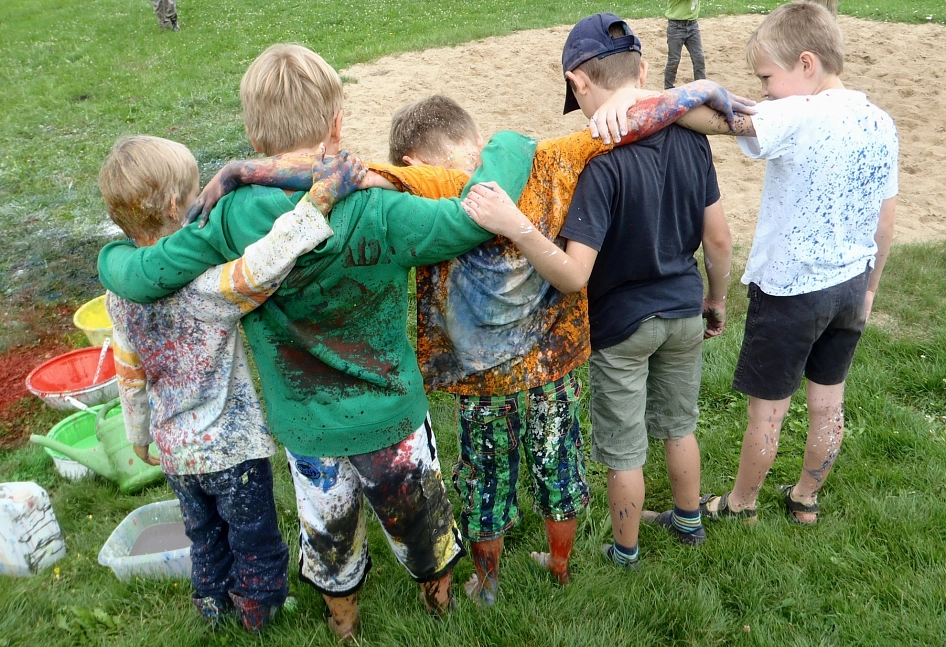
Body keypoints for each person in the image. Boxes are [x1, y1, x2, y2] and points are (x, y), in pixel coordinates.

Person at [186, 78, 749, 601]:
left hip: (479, 383)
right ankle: (560, 565)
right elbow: (636, 120)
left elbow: (339, 174)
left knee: (487, 483)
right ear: (476, 138)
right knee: (560, 467)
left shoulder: (436, 188)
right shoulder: (547, 156)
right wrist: (702, 91)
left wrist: (242, 170)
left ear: (412, 161)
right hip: (550, 368)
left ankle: (489, 581)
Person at [96, 43, 563, 639]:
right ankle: (441, 611)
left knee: (329, 535)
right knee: (422, 526)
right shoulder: (379, 207)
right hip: (391, 419)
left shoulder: (230, 217)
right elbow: (473, 219)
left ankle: (345, 630)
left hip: (306, 426)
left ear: (252, 129)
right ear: (337, 123)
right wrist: (511, 144)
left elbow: (139, 275)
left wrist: (111, 252)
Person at [460, 12, 733, 569]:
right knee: (680, 426)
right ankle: (689, 523)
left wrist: (517, 227)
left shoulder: (599, 161)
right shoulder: (690, 136)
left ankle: (625, 550)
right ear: (644, 66)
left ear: (579, 81)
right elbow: (720, 239)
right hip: (684, 310)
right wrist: (717, 298)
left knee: (624, 447)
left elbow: (573, 274)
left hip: (623, 325)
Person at [99, 135, 355, 632]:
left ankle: (213, 610)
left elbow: (128, 371)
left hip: (176, 450)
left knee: (205, 536)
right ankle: (260, 615)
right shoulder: (203, 287)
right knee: (253, 538)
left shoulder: (121, 294)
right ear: (178, 206)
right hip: (231, 448)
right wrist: (321, 197)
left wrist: (139, 433)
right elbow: (265, 264)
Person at [656, 1, 896, 525]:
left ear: (806, 64)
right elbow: (885, 221)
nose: (763, 90)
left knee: (768, 409)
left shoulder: (797, 111)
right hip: (852, 284)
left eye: (766, 77)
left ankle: (741, 503)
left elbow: (707, 120)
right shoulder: (880, 121)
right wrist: (872, 287)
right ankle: (805, 499)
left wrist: (686, 92)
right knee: (828, 402)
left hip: (791, 290)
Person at [664, 0, 706, 89]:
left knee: (699, 57)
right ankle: (668, 88)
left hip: (693, 24)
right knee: (674, 60)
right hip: (676, 26)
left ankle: (701, 87)